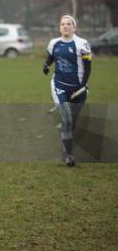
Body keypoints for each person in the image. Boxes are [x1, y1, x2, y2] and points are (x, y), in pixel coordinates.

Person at [43, 15, 92, 167]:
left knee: (73, 123)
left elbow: (88, 68)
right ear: (60, 27)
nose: (65, 26)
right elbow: (50, 57)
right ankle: (69, 156)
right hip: (59, 86)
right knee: (67, 120)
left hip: (78, 89)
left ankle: (65, 145)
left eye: (69, 24)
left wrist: (81, 86)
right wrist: (46, 65)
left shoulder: (82, 44)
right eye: (63, 24)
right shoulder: (54, 43)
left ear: (74, 27)